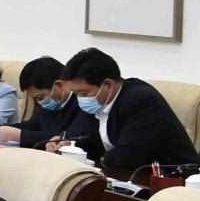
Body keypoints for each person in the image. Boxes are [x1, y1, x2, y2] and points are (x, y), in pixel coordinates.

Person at [63, 47, 200, 176]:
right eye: (76, 94)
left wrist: (97, 160)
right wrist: (68, 145)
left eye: (84, 94)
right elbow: (89, 140)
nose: (81, 99)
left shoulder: (140, 100)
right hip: (127, 176)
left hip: (171, 179)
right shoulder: (99, 102)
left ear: (108, 85)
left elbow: (128, 156)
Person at [0, 56, 90, 150]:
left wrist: (20, 136)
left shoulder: (83, 103)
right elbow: (31, 126)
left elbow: (66, 137)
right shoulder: (47, 104)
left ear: (59, 85)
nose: (39, 102)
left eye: (40, 97)